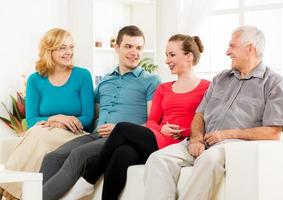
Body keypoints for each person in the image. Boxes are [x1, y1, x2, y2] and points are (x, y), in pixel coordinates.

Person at [144, 25, 283, 200]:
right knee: (157, 159)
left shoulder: (273, 83)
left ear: (250, 48)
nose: (227, 52)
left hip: (233, 144)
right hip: (203, 140)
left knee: (209, 159)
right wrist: (196, 138)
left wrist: (226, 134)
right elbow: (199, 114)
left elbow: (274, 132)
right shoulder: (221, 78)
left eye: (232, 46)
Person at [57, 33, 211, 200]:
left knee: (122, 127)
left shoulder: (207, 88)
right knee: (122, 154)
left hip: (180, 143)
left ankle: (88, 180)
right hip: (159, 137)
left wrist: (185, 131)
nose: (167, 60)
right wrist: (162, 128)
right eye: (166, 55)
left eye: (172, 55)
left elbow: (208, 121)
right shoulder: (164, 88)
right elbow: (152, 121)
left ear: (188, 56)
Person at [40, 25, 161, 200]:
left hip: (121, 139)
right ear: (117, 47)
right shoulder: (105, 80)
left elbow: (153, 122)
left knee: (78, 155)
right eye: (129, 46)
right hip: (95, 135)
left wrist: (122, 131)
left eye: (139, 48)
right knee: (52, 157)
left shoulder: (151, 81)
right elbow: (93, 116)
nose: (134, 52)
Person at [0, 28, 94, 200]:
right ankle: (17, 194)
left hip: (74, 134)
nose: (69, 52)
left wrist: (62, 123)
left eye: (71, 47)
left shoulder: (82, 75)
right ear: (49, 51)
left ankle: (7, 191)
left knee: (37, 134)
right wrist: (55, 118)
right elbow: (31, 120)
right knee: (37, 134)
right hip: (44, 132)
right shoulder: (35, 80)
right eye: (63, 48)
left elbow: (87, 117)